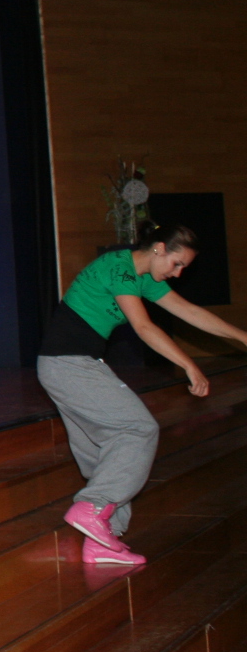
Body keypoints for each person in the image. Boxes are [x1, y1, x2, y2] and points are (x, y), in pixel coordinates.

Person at [37, 225, 247, 566]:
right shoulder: (118, 267)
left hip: (67, 365)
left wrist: (242, 337)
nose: (177, 273)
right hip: (69, 365)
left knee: (102, 453)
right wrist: (189, 365)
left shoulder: (143, 277)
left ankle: (103, 541)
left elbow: (191, 312)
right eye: (177, 264)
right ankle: (93, 508)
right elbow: (144, 327)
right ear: (160, 248)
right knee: (138, 429)